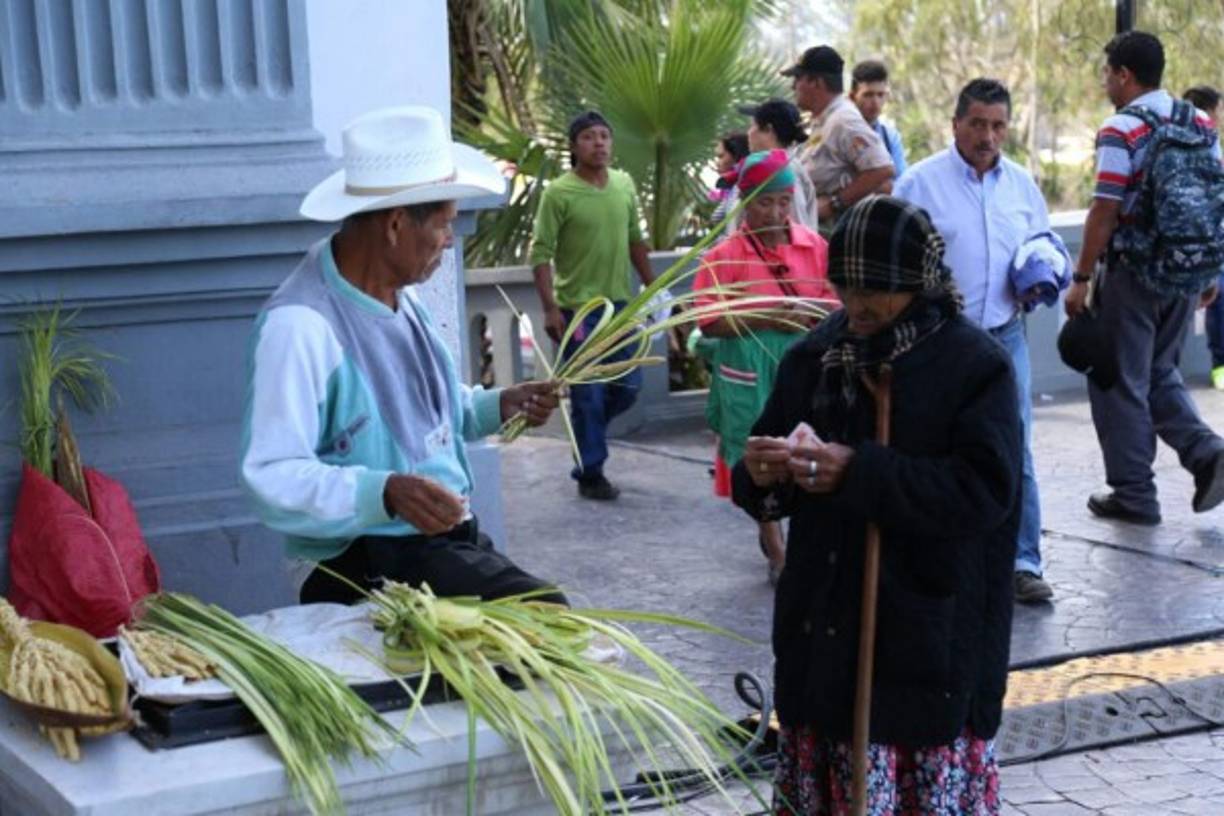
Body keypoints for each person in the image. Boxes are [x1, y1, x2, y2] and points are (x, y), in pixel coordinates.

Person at [733, 196, 1020, 814]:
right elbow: (763, 476)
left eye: (876, 290)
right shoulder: (814, 358)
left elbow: (985, 492)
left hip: (925, 640)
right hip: (824, 639)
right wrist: (761, 473)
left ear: (917, 284)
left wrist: (860, 473)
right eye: (844, 286)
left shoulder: (973, 366)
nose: (857, 305)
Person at [241, 106, 565, 605]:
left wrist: (498, 404)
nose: (448, 242)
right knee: (546, 616)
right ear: (395, 225)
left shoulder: (402, 297)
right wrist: (384, 492)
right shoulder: (301, 326)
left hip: (438, 542)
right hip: (359, 559)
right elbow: (272, 475)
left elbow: (430, 412)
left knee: (536, 626)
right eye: (443, 225)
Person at [895, 78, 1058, 604]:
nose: (988, 136)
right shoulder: (918, 185)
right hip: (938, 339)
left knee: (1016, 446)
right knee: (932, 444)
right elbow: (896, 258)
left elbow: (1042, 241)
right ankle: (938, 555)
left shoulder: (1021, 186)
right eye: (978, 124)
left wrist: (1041, 269)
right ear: (955, 125)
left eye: (998, 126)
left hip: (1005, 337)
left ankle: (1022, 563)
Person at [1065, 31, 1224, 524]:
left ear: (1123, 75)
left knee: (1120, 382)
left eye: (1107, 73)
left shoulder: (1121, 128)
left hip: (1132, 273)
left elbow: (1105, 208)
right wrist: (1209, 268)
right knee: (1159, 373)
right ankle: (1209, 455)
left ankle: (1134, 494)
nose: (1105, 82)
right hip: (1183, 272)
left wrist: (1081, 276)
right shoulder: (1197, 121)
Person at [693, 149, 835, 585]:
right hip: (746, 369)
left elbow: (838, 305)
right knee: (758, 449)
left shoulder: (816, 248)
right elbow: (708, 321)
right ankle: (776, 547)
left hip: (805, 364)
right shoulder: (723, 257)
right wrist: (766, 317)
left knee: (809, 442)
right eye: (764, 202)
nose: (775, 212)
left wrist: (810, 314)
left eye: (783, 201)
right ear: (745, 203)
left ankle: (800, 533)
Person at [529, 111, 656, 501]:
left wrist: (655, 288)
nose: (599, 143)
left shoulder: (623, 184)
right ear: (573, 146)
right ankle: (591, 472)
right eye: (588, 137)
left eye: (605, 135)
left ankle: (590, 434)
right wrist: (550, 308)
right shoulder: (558, 193)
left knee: (629, 387)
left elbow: (636, 240)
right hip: (576, 312)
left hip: (619, 309)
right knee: (588, 393)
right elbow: (540, 253)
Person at [784, 45, 894, 226]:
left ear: (816, 83)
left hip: (837, 231)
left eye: (798, 78)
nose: (793, 86)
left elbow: (882, 169)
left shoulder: (843, 120)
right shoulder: (825, 120)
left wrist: (835, 203)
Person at [1182, 85, 1224, 390]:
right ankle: (1219, 365)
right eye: (1219, 109)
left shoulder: (1212, 143)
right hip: (1198, 238)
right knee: (1216, 297)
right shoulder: (1197, 143)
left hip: (1211, 235)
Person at [737, 98, 820, 232]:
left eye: (753, 126)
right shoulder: (777, 165)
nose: (748, 133)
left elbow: (795, 226)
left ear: (769, 129)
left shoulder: (783, 169)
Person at [850, 60, 908, 177]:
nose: (875, 102)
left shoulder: (890, 137)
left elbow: (901, 181)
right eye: (868, 95)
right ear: (852, 97)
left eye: (880, 95)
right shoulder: (841, 133)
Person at [710, 131, 750, 228]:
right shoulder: (732, 188)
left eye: (721, 156)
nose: (717, 163)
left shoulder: (743, 188)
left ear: (736, 155)